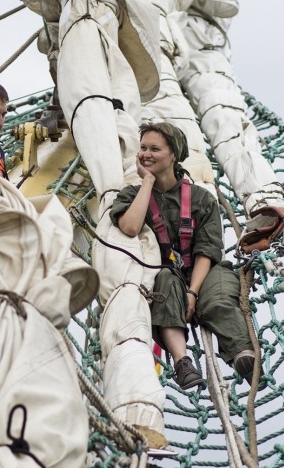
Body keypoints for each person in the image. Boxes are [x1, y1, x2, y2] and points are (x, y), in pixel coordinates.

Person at [110, 121, 260, 390]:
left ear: (174, 155)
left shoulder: (202, 199)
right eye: (142, 148)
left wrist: (192, 293)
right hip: (165, 272)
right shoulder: (133, 194)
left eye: (155, 149)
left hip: (205, 269)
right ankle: (182, 362)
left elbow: (207, 250)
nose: (145, 154)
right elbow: (130, 227)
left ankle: (243, 354)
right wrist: (147, 182)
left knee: (216, 298)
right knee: (165, 284)